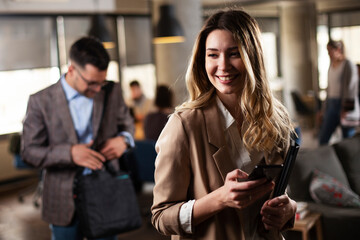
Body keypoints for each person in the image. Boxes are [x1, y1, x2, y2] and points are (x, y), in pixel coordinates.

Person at [151, 9, 297, 240]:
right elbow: (161, 217)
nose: (223, 66)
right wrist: (220, 198)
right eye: (213, 55)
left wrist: (288, 210)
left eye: (233, 53)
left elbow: (280, 193)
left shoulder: (274, 119)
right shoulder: (183, 125)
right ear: (202, 60)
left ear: (252, 57)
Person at [21, 36, 135, 240]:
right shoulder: (40, 101)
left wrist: (124, 140)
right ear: (71, 69)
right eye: (92, 83)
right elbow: (29, 152)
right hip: (62, 197)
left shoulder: (111, 90)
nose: (98, 89)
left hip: (106, 190)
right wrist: (70, 153)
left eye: (101, 82)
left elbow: (127, 124)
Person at [318, 40, 359, 145]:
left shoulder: (348, 64)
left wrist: (346, 109)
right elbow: (329, 89)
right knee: (323, 138)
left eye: (330, 51)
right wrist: (323, 109)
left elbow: (351, 88)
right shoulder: (331, 65)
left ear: (338, 50)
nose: (328, 54)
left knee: (348, 141)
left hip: (344, 105)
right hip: (332, 104)